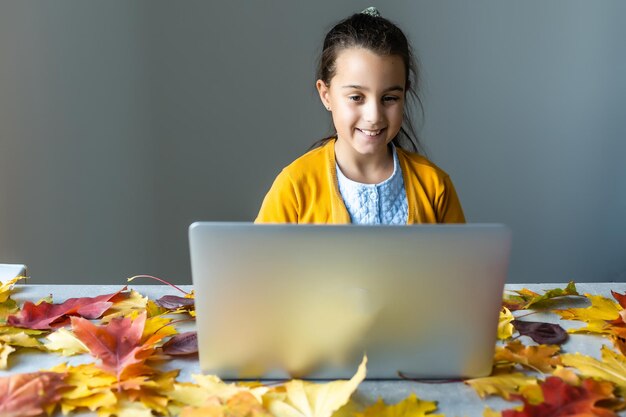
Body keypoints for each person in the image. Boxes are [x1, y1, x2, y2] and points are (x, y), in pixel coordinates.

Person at [255, 7, 465, 224]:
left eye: (389, 98)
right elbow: (256, 257)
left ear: (405, 93)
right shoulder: (295, 186)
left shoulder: (435, 186)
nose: (374, 116)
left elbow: (467, 258)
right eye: (356, 97)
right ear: (326, 95)